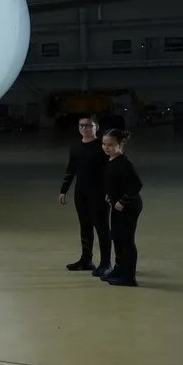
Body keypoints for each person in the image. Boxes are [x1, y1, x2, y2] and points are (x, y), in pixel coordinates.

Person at [58, 115, 113, 276]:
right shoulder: (76, 146)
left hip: (99, 193)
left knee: (102, 228)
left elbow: (110, 171)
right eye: (81, 126)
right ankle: (86, 260)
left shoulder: (102, 147)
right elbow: (71, 169)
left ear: (96, 127)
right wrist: (64, 189)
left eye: (88, 125)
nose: (84, 128)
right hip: (81, 193)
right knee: (85, 226)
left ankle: (106, 263)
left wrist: (111, 192)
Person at [101, 129, 144, 287]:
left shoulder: (124, 163)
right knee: (117, 237)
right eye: (104, 144)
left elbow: (136, 185)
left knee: (127, 240)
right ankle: (119, 269)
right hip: (116, 206)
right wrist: (109, 195)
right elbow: (115, 182)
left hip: (129, 207)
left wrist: (122, 201)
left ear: (120, 144)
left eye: (111, 145)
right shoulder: (111, 160)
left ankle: (129, 277)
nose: (106, 147)